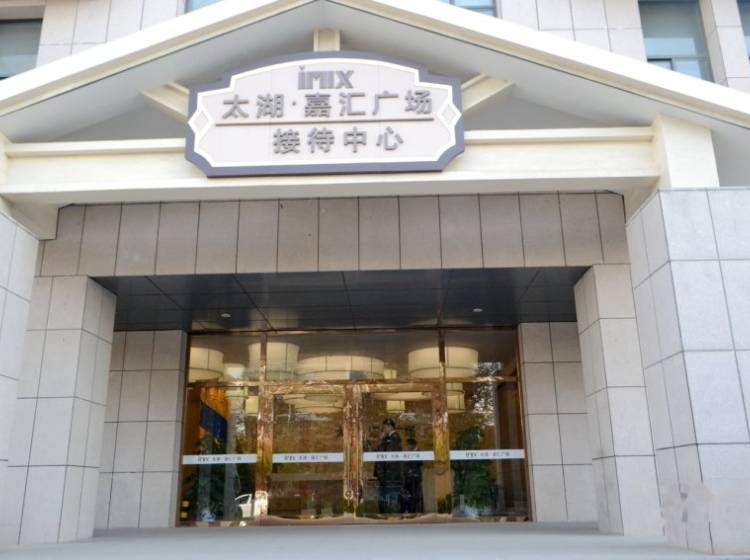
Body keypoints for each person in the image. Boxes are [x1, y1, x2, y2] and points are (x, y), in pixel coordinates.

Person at [373, 418, 402, 514]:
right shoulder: (388, 439)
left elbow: (389, 459)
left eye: (384, 427)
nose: (383, 430)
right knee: (386, 501)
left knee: (391, 502)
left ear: (390, 427)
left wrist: (384, 476)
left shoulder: (393, 439)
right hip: (388, 476)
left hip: (390, 477)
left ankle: (392, 518)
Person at [401, 437, 423, 514]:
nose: (407, 447)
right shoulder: (410, 452)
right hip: (408, 477)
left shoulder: (417, 452)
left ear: (412, 445)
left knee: (414, 495)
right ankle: (410, 510)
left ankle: (414, 511)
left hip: (414, 477)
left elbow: (418, 463)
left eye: (408, 445)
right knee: (409, 495)